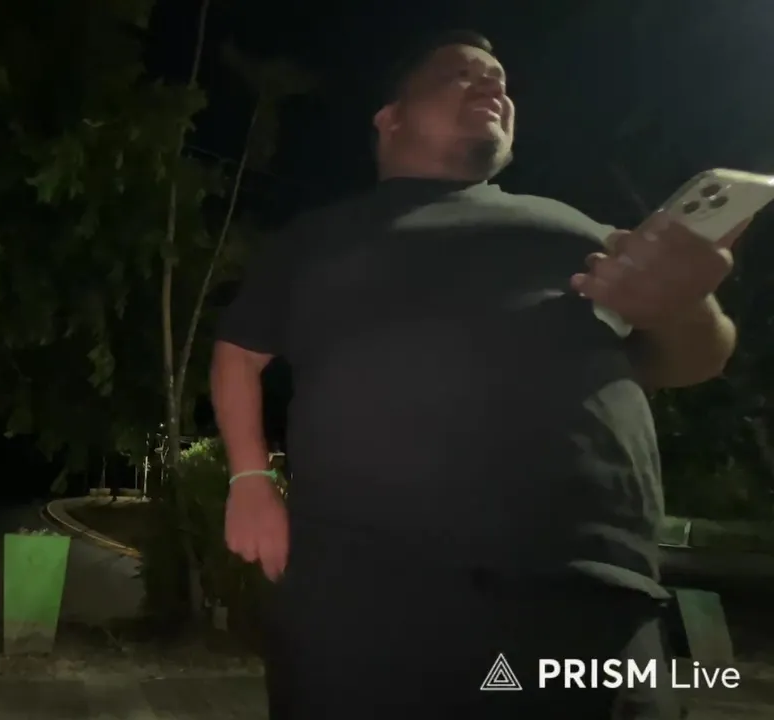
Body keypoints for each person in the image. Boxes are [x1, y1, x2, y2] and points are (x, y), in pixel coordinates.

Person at [211, 30, 742, 719]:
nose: (494, 86)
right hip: (363, 600)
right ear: (390, 118)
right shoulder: (316, 238)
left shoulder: (580, 231)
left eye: (501, 81)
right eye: (462, 74)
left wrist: (684, 303)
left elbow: (696, 360)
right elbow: (238, 353)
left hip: (590, 606)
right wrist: (249, 481)